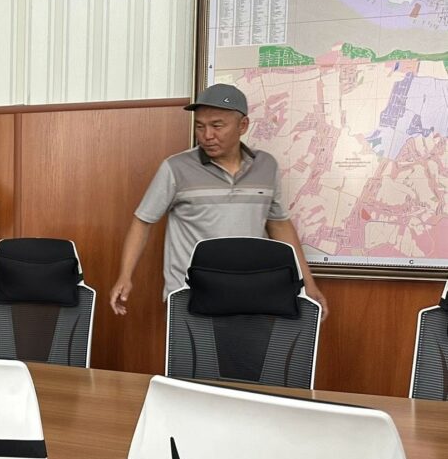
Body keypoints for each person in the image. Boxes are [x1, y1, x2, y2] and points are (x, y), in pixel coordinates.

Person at [109, 83, 328, 317]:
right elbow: (143, 221)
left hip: (252, 294)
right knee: (189, 344)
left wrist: (308, 284)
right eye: (200, 126)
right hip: (189, 295)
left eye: (217, 126)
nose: (207, 136)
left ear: (243, 125)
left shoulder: (267, 166)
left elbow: (279, 225)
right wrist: (125, 275)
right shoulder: (176, 168)